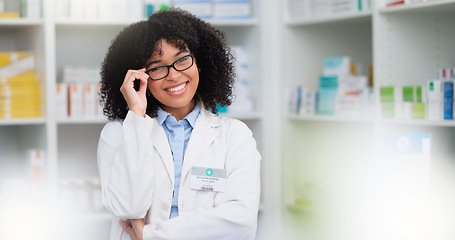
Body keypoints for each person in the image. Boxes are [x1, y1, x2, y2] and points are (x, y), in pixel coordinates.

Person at [97, 8, 261, 240]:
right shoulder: (118, 133)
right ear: (141, 77)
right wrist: (137, 115)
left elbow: (241, 222)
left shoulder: (234, 135)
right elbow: (129, 207)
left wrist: (152, 235)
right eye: (156, 67)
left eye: (182, 59)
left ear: (199, 62)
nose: (173, 75)